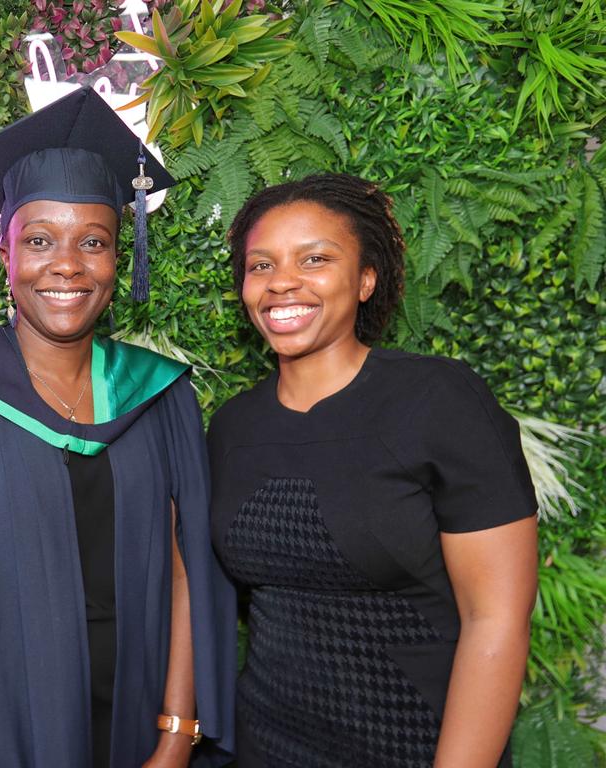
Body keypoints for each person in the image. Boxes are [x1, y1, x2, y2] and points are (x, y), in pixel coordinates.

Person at [0, 87, 236, 768]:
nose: (66, 266)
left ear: (119, 258)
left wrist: (177, 734)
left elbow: (192, 573)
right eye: (39, 241)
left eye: (92, 242)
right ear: (5, 257)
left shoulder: (160, 396)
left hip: (141, 722)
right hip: (6, 736)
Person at [208, 173, 538, 767]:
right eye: (261, 265)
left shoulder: (438, 401)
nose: (282, 281)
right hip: (268, 745)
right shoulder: (233, 428)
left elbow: (497, 619)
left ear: (366, 280)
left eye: (315, 259)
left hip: (417, 746)